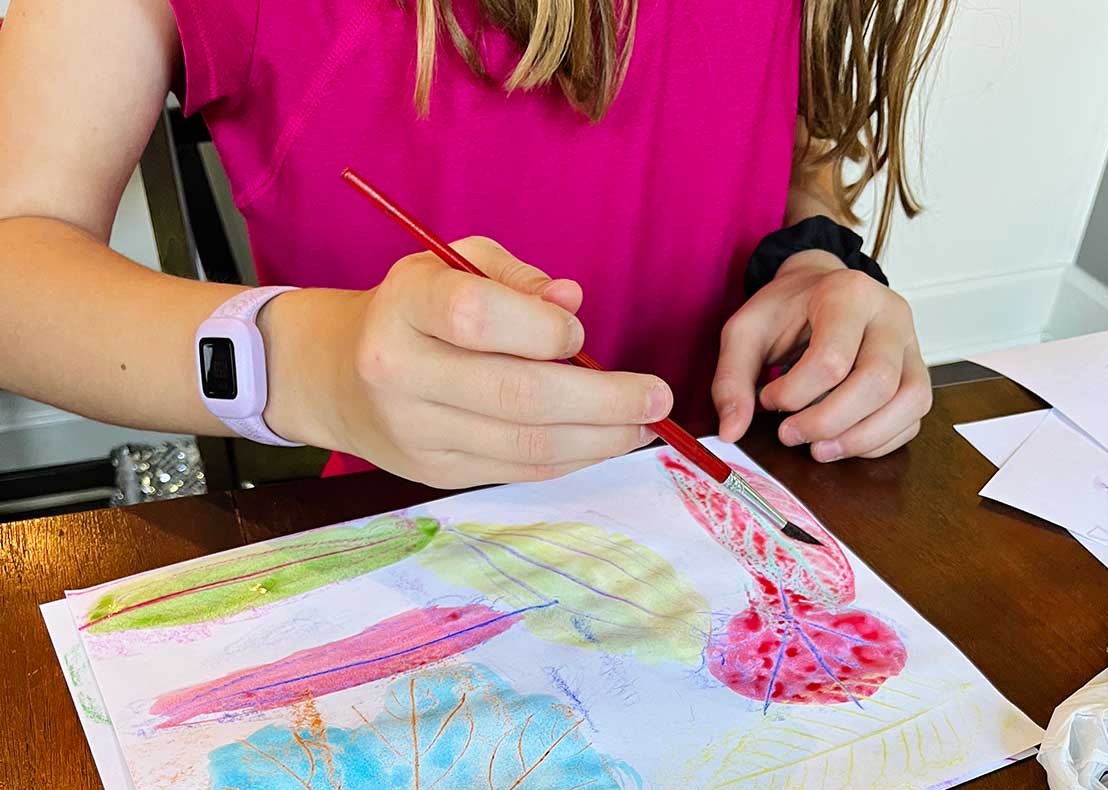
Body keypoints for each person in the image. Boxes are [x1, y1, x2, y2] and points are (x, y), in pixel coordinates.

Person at [0, 0, 949, 489]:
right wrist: (309, 365)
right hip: (413, 547)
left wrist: (814, 256)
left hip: (722, 501)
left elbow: (790, 129)